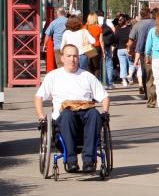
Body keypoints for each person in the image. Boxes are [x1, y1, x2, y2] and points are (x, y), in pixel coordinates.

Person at [34, 44, 110, 173]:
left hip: (85, 112)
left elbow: (105, 97)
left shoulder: (87, 76)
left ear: (78, 58)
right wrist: (41, 116)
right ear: (62, 58)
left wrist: (105, 111)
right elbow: (38, 97)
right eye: (69, 56)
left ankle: (88, 161)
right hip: (64, 116)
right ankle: (71, 161)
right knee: (67, 115)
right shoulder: (53, 76)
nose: (72, 59)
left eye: (75, 56)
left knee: (95, 114)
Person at [128, 7, 157, 107]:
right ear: (149, 13)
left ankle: (149, 96)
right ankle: (157, 96)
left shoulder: (137, 25)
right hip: (157, 52)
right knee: (156, 75)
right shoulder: (156, 23)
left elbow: (131, 40)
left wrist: (129, 49)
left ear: (141, 15)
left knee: (147, 76)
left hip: (144, 53)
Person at [98, 10, 116, 89]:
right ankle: (110, 83)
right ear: (103, 14)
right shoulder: (107, 21)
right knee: (109, 64)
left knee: (99, 64)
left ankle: (100, 82)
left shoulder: (94, 21)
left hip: (98, 45)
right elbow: (114, 30)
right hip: (107, 45)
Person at [114, 14, 133, 87]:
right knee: (131, 63)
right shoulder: (129, 29)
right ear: (126, 22)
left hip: (120, 49)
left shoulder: (117, 30)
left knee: (122, 65)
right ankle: (130, 75)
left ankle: (124, 81)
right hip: (128, 48)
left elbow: (115, 40)